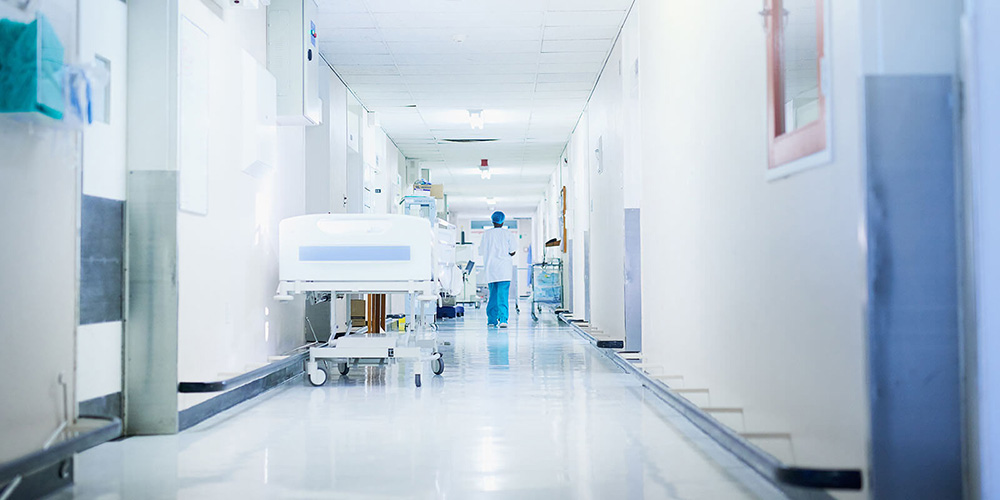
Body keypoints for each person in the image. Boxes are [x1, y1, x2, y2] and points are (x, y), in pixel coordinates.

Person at [479, 211, 516, 328]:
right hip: (504, 270)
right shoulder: (508, 234)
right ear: (503, 221)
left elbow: (481, 251)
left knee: (493, 295)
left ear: (492, 221)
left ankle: (491, 320)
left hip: (491, 269)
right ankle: (503, 320)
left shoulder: (486, 234)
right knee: (503, 295)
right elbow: (513, 251)